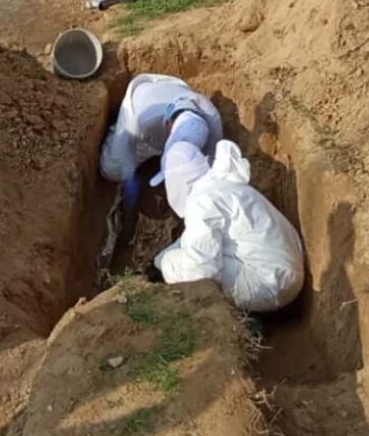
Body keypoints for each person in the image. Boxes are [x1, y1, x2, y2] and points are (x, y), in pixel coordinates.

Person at [151, 139, 305, 313]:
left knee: (177, 266)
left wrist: (163, 264)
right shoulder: (219, 185)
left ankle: (242, 322)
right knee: (189, 249)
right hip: (286, 271)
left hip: (272, 284)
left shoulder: (201, 202)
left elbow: (201, 272)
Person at [100, 73, 223, 207]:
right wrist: (129, 176)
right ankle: (115, 121)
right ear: (169, 124)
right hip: (140, 99)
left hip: (172, 91)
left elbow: (213, 160)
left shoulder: (212, 120)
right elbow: (126, 151)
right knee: (111, 170)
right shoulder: (143, 122)